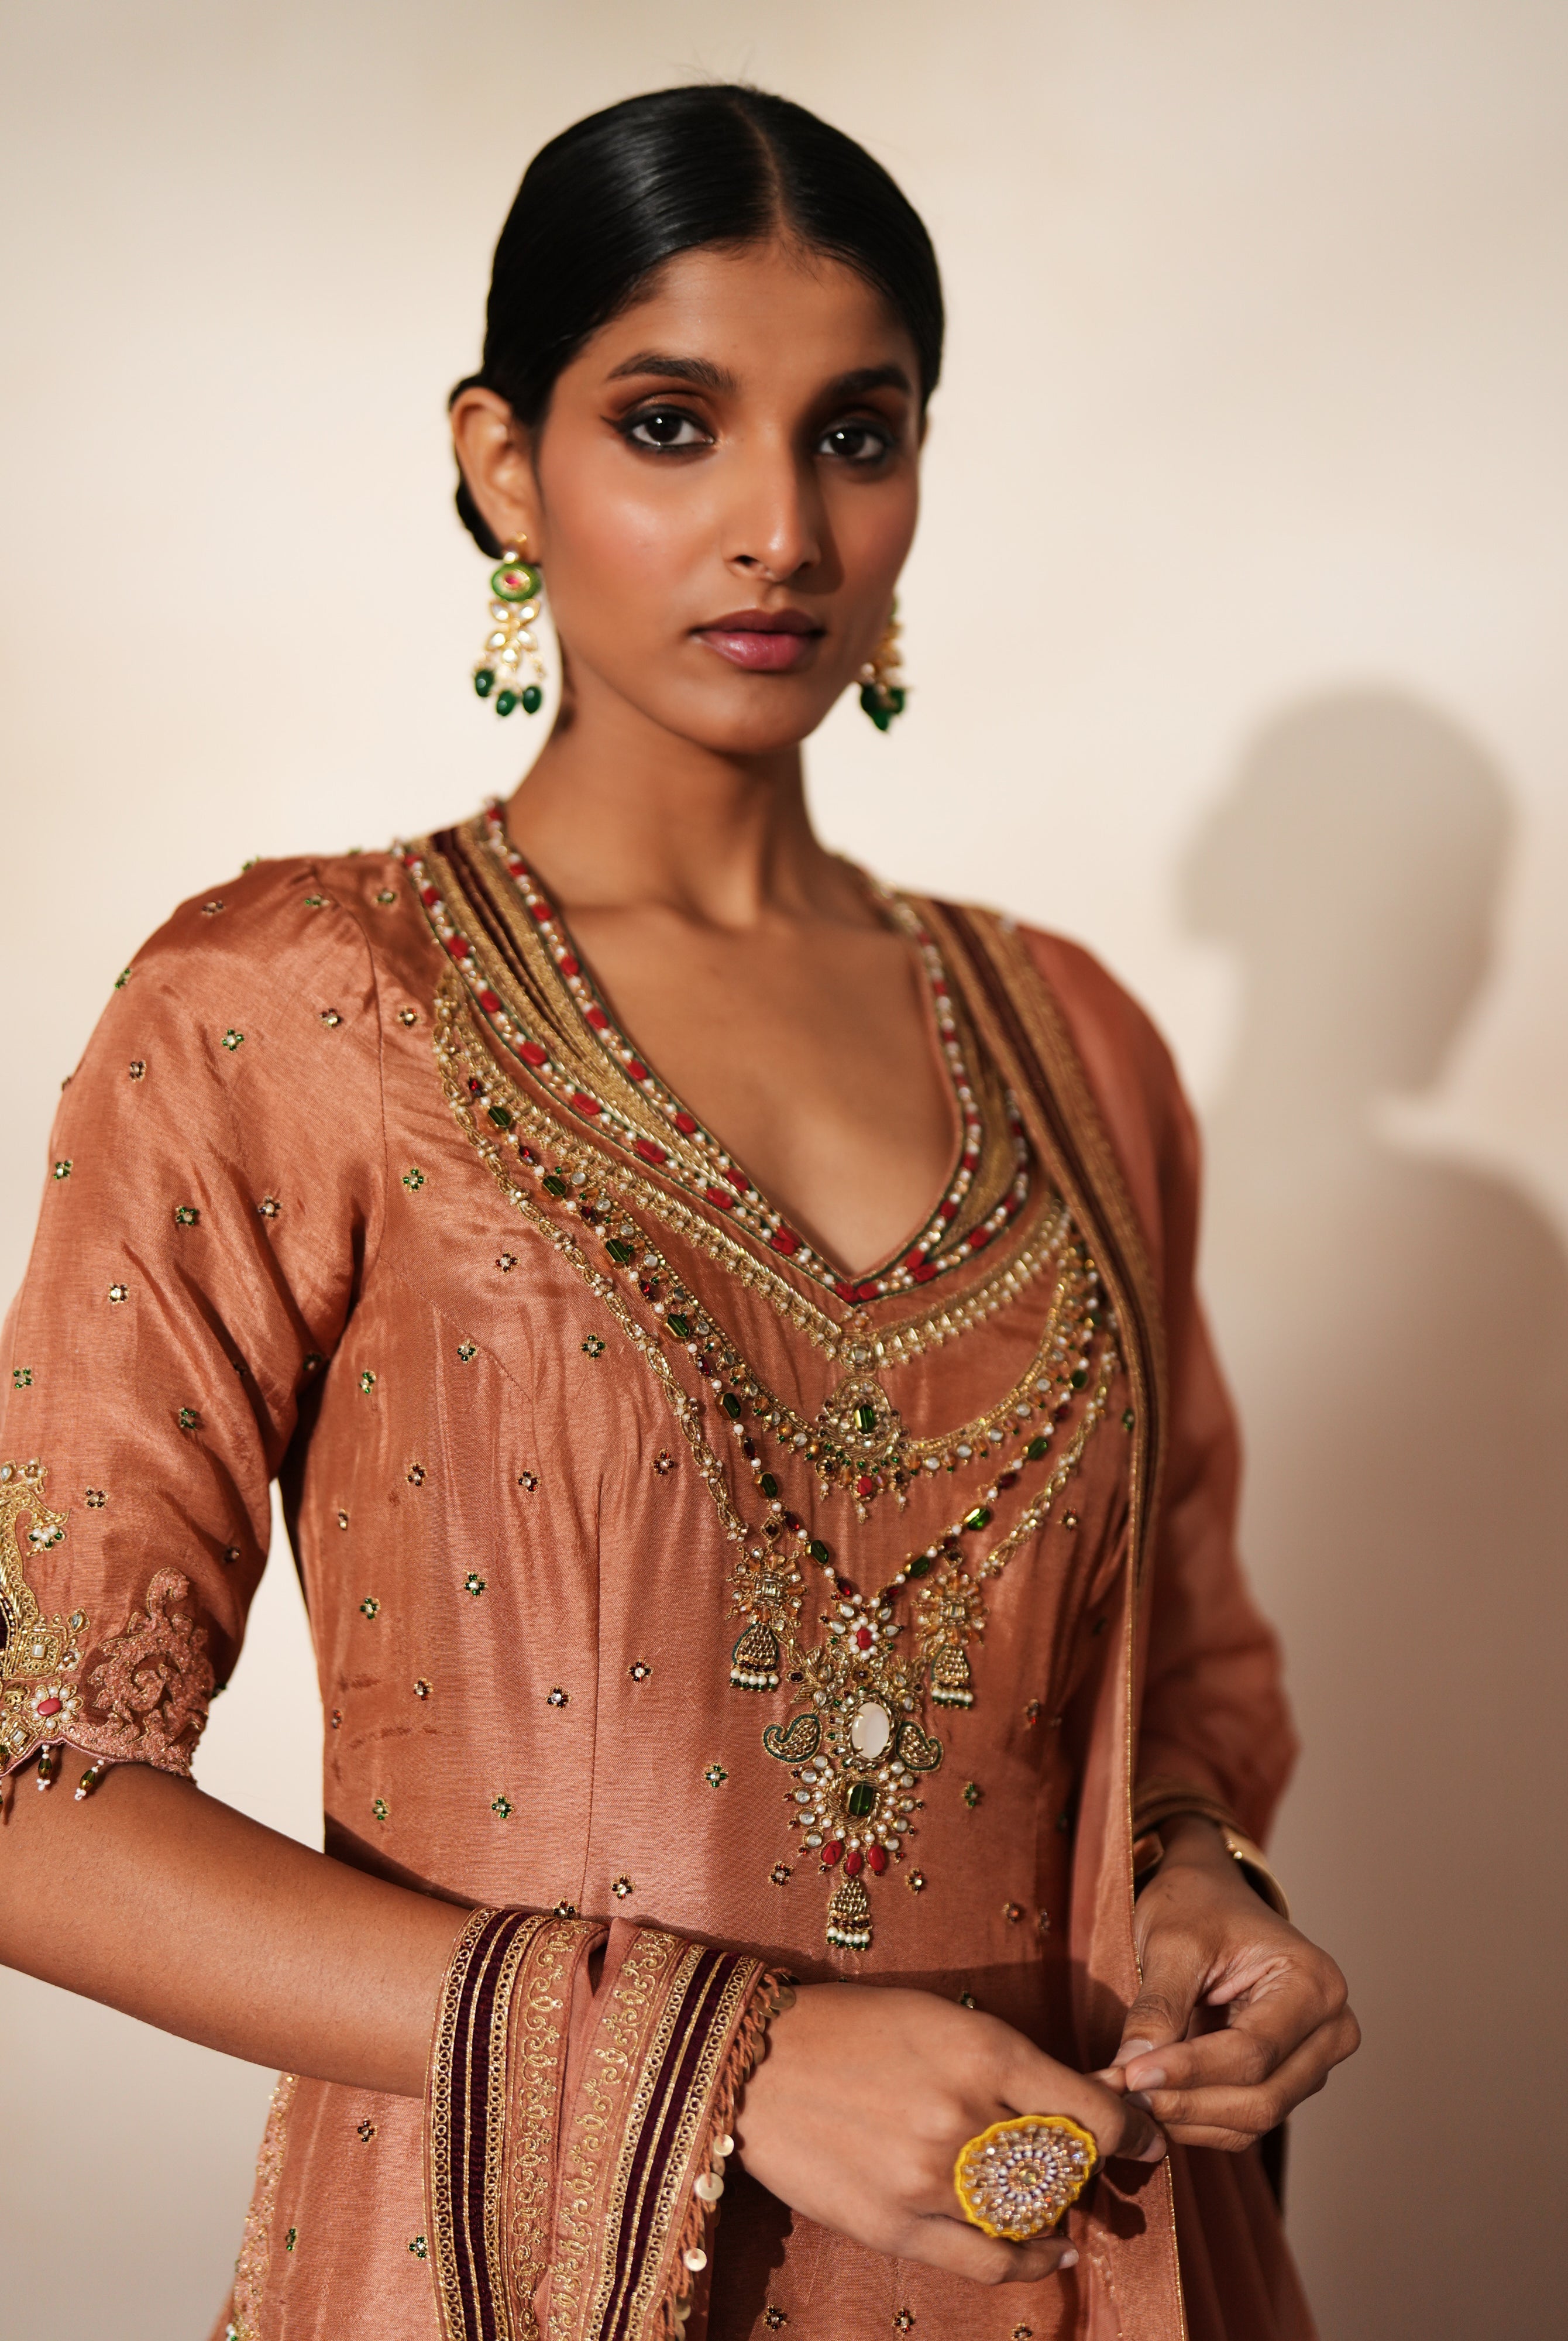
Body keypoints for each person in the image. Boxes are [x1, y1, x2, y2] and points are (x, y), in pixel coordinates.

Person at [0, 84, 1356, 2341]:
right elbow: (31, 1787)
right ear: (503, 464)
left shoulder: (1076, 1041)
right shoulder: (300, 1005)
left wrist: (1204, 1890)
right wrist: (726, 2061)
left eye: (855, 433)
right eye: (669, 423)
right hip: (523, 2273)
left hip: (1083, 2263)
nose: (778, 531)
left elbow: (1182, 1679)